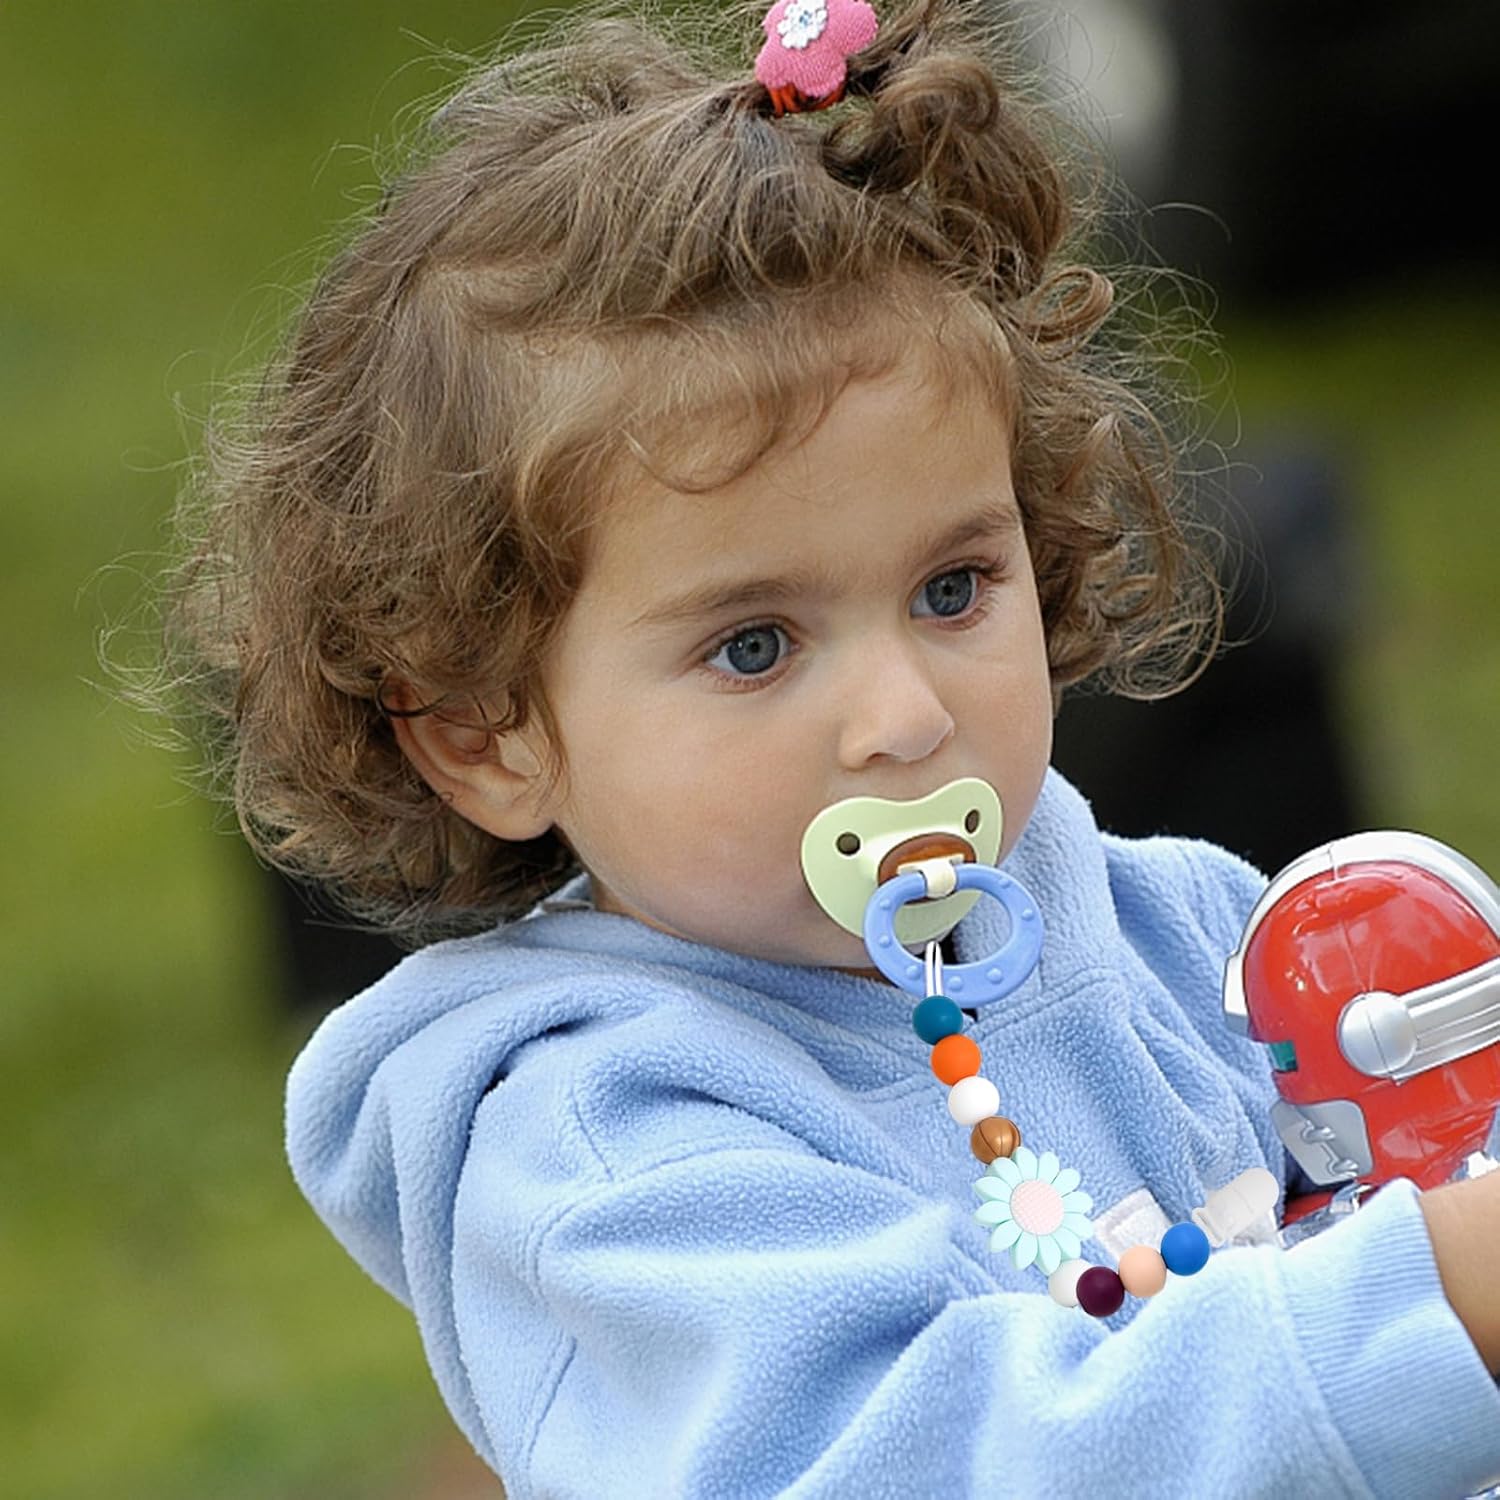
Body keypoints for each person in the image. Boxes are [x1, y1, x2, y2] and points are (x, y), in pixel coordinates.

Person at [156, 0, 1500, 1493]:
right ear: (485, 734)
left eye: (952, 589)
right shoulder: (602, 1140)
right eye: (753, 645)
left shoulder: (1180, 926)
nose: (906, 714)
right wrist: (1440, 1298)